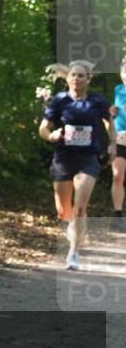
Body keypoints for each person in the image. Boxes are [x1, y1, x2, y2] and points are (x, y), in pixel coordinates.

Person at [38, 60, 116, 269]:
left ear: (88, 79)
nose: (76, 79)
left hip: (88, 158)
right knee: (64, 211)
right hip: (64, 157)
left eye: (81, 75)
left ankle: (73, 253)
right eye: (73, 75)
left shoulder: (97, 100)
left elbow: (109, 123)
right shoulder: (59, 100)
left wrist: (113, 145)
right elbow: (43, 128)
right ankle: (74, 227)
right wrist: (51, 135)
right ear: (68, 78)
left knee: (80, 207)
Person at [111, 58, 126, 234]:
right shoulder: (118, 90)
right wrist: (112, 111)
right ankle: (117, 216)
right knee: (117, 176)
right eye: (124, 71)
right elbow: (114, 112)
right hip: (120, 139)